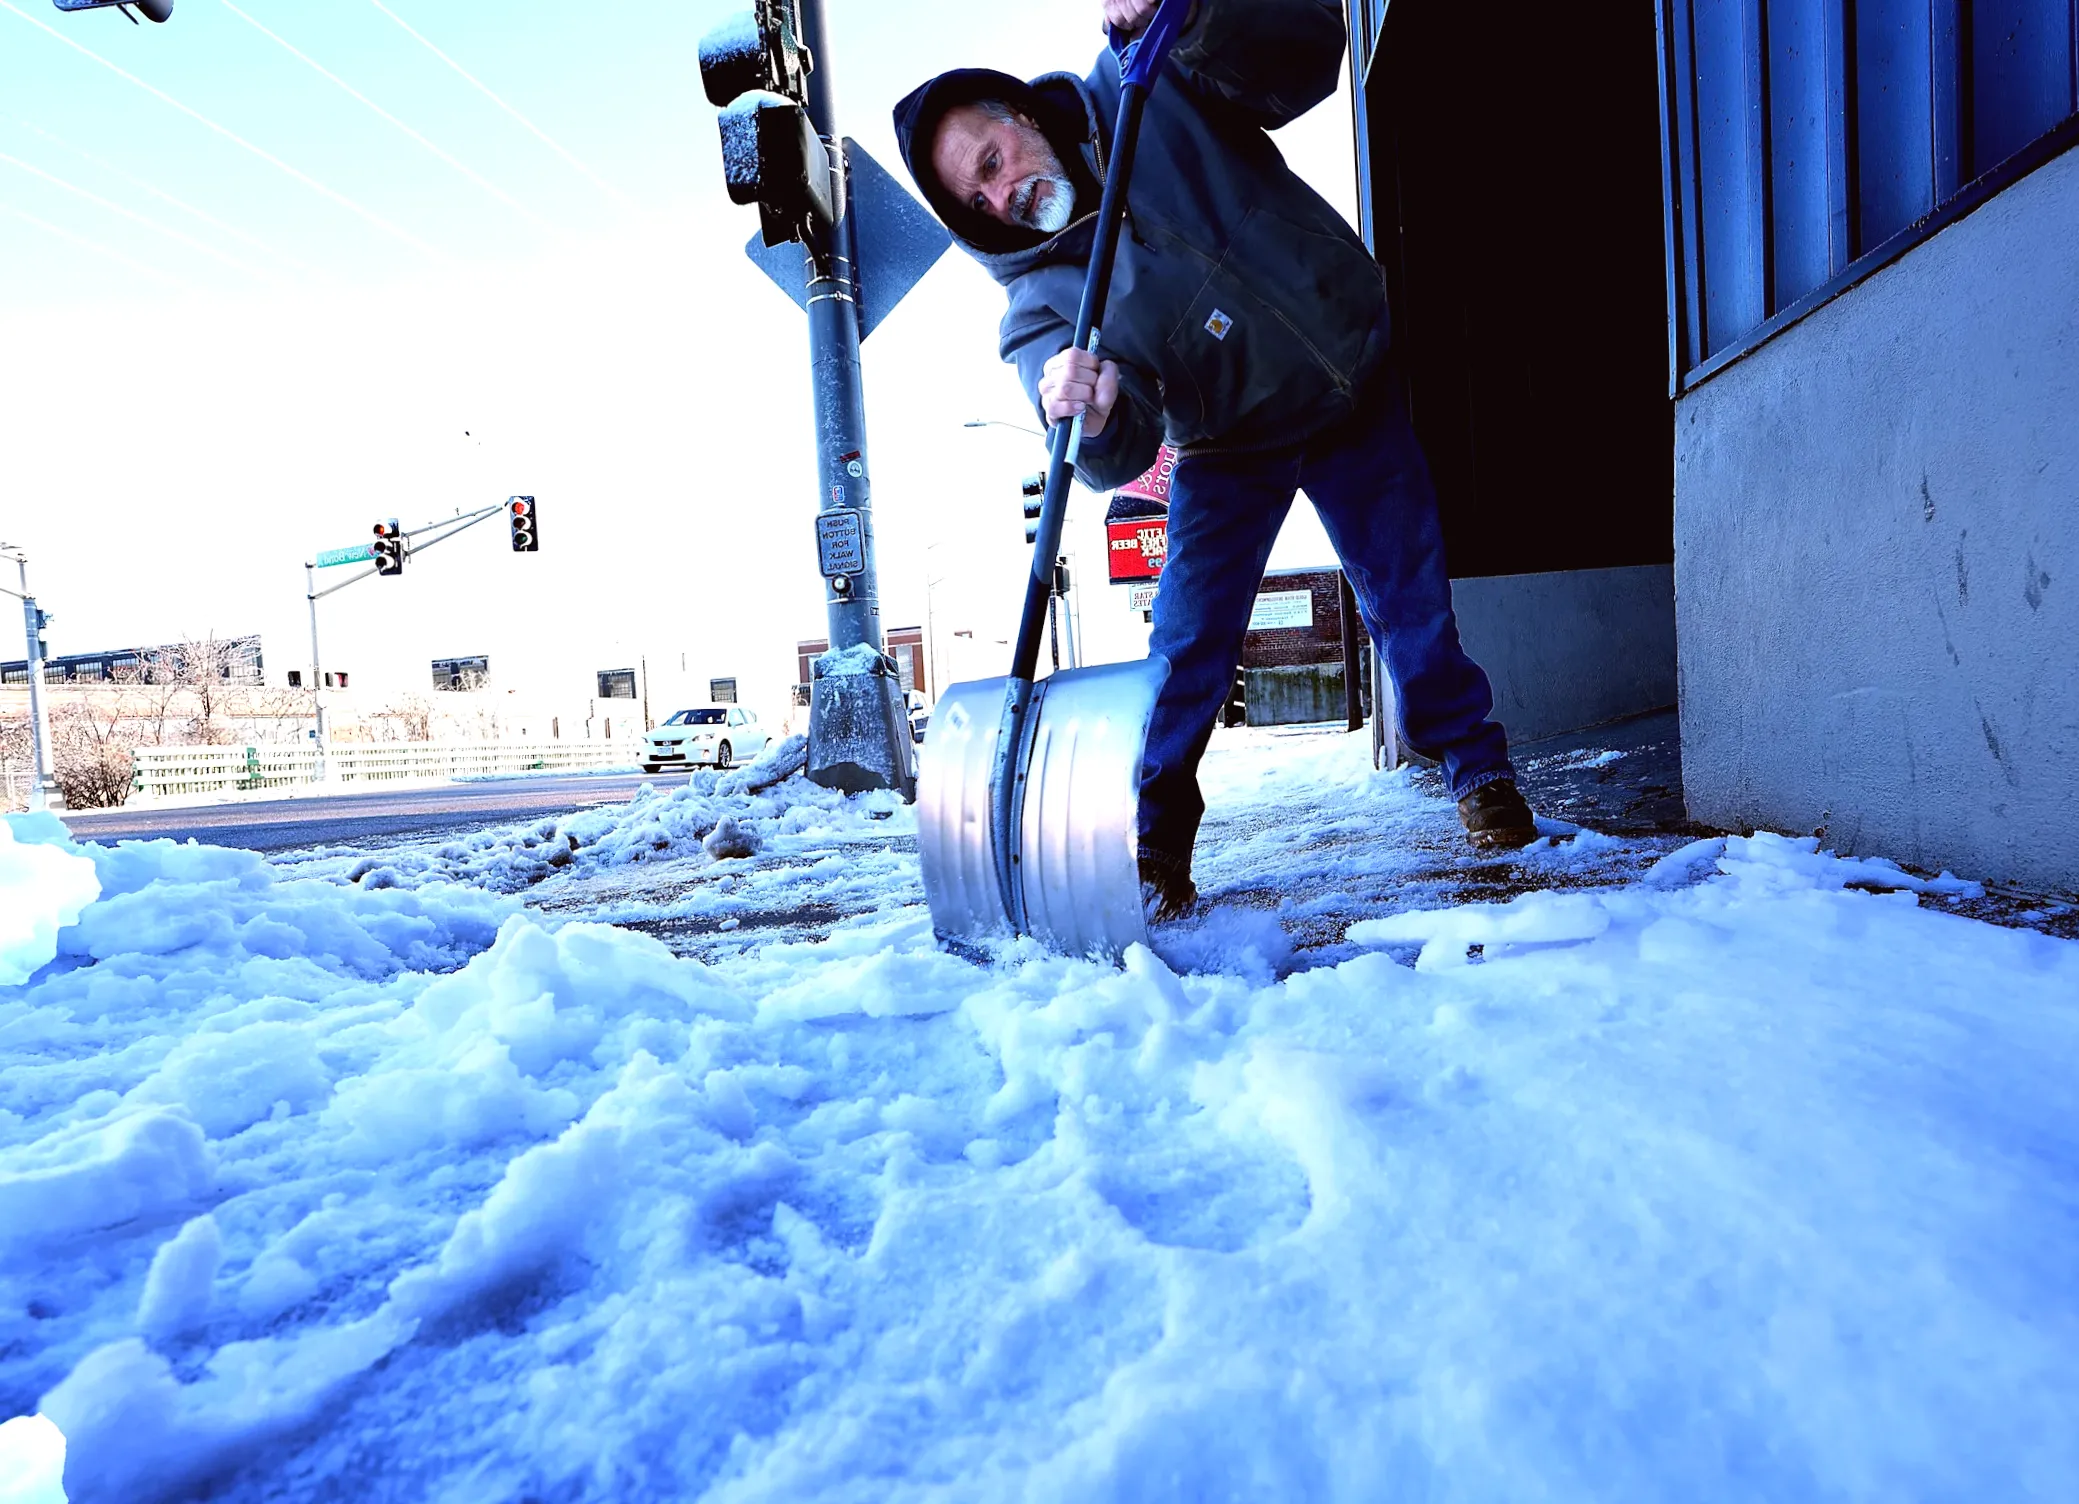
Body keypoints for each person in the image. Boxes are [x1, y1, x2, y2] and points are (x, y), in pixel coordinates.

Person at [894, 0, 1538, 922]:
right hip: (1229, 442)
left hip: (1349, 374)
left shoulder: (1149, 78)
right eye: (975, 202)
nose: (1000, 199)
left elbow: (1306, 60)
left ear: (1022, 114)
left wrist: (1193, 16)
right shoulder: (1038, 308)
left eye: (992, 163)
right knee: (1185, 643)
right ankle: (1153, 839)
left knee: (1408, 599)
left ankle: (1479, 775)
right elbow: (1112, 453)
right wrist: (1091, 414)